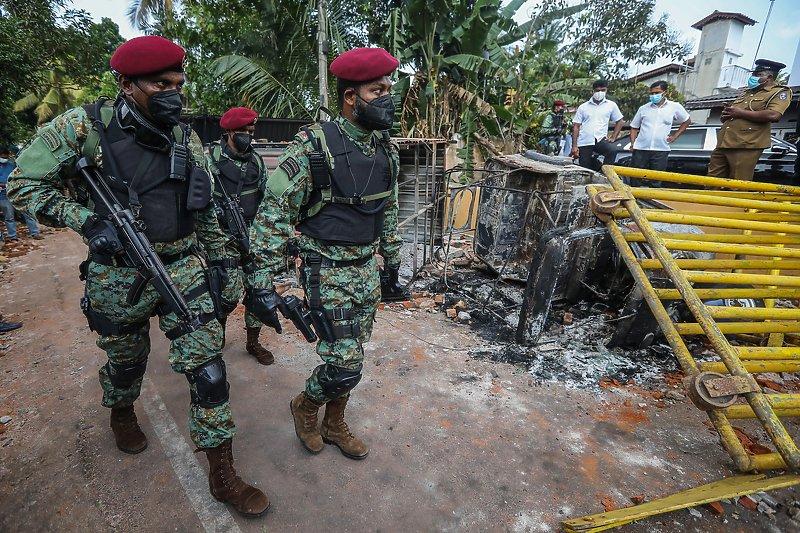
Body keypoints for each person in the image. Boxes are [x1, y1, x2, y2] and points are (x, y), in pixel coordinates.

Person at [8, 36, 269, 517]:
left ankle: (222, 472)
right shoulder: (82, 127)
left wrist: (224, 264)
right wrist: (86, 220)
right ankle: (122, 409)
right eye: (160, 84)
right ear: (127, 85)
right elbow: (22, 184)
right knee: (127, 361)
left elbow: (205, 207)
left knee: (209, 368)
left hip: (182, 266)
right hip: (118, 273)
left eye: (178, 83)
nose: (174, 93)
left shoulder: (186, 136)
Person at [245, 47, 406, 460]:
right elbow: (271, 219)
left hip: (366, 269)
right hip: (326, 272)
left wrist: (392, 262)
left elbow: (385, 207)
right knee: (345, 363)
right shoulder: (312, 148)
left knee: (355, 349)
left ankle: (335, 424)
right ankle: (307, 405)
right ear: (351, 97)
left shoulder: (385, 150)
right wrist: (260, 284)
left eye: (389, 87)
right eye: (378, 90)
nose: (388, 96)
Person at [207, 107, 274, 365]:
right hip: (223, 240)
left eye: (251, 131)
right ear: (229, 132)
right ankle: (218, 334)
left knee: (259, 290)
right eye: (243, 132)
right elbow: (199, 201)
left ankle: (253, 342)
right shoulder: (211, 161)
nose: (248, 136)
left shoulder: (256, 162)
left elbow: (267, 198)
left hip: (253, 236)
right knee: (225, 293)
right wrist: (218, 216)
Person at [708, 59, 793, 180]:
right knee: (712, 182)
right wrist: (727, 115)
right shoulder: (747, 93)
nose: (752, 77)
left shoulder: (779, 92)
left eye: (757, 75)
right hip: (724, 142)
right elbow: (735, 114)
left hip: (746, 145)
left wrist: (739, 112)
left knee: (737, 185)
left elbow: (774, 115)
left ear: (769, 77)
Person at [628, 80, 691, 171]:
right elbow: (634, 127)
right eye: (652, 93)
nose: (654, 95)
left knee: (656, 180)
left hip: (661, 149)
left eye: (657, 93)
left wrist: (675, 136)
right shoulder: (643, 108)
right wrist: (633, 143)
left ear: (665, 92)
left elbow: (687, 121)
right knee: (635, 177)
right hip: (641, 149)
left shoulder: (674, 107)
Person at [570, 80, 624, 170]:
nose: (600, 93)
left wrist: (613, 137)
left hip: (600, 139)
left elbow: (620, 121)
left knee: (612, 151)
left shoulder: (611, 105)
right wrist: (574, 146)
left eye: (603, 90)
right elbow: (576, 126)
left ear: (606, 90)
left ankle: (605, 173)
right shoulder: (583, 107)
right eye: (597, 90)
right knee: (585, 168)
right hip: (585, 141)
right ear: (593, 91)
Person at [0, 147, 41, 242]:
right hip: (3, 195)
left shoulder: (11, 165)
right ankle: (12, 236)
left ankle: (34, 233)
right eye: (2, 156)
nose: (4, 158)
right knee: (9, 216)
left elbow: (18, 175)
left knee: (27, 213)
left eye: (6, 156)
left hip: (16, 193)